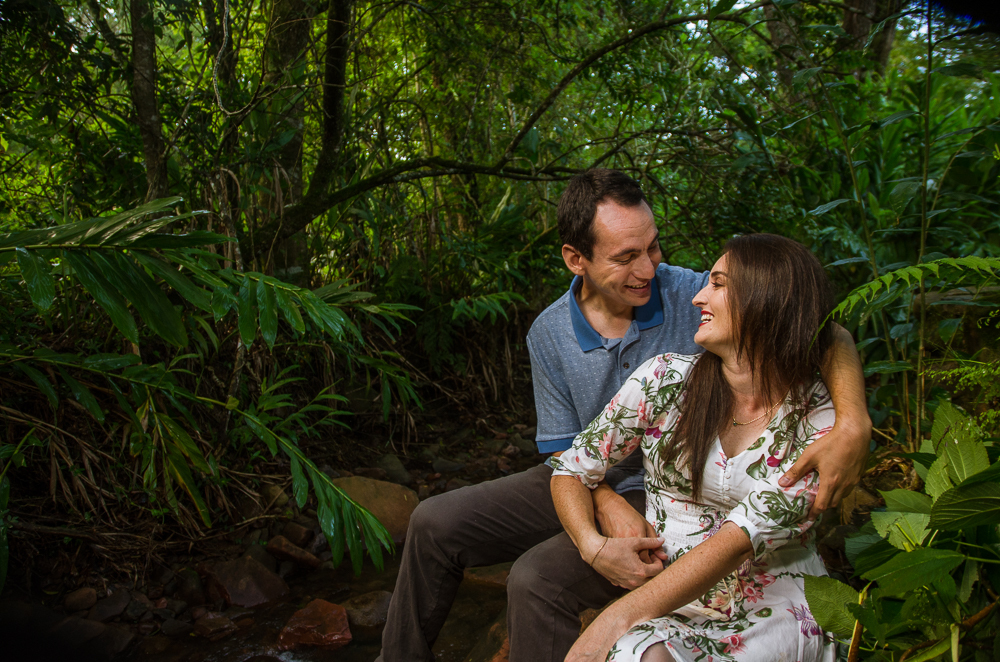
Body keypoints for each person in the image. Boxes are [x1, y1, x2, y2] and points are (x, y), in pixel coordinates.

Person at [377, 170, 870, 662]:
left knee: (536, 577)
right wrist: (603, 506)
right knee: (432, 521)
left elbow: (810, 324)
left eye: (652, 247)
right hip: (592, 471)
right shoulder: (549, 333)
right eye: (626, 257)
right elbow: (562, 451)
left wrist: (852, 421)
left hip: (669, 475)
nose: (649, 269)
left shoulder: (693, 293)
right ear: (577, 259)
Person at [551, 234, 841, 662]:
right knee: (640, 653)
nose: (698, 297)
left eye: (719, 284)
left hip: (775, 607)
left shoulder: (820, 420)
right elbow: (571, 468)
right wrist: (593, 545)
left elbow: (742, 538)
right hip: (673, 606)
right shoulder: (664, 380)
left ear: (768, 299)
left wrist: (615, 618)